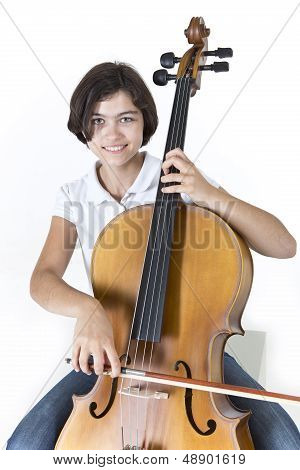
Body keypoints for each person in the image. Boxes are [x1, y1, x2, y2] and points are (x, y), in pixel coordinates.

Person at [6, 62, 300, 450]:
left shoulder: (179, 179)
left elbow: (284, 246)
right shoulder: (74, 196)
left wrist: (212, 195)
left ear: (146, 120)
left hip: (191, 353)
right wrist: (89, 310)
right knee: (25, 445)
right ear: (82, 127)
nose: (112, 134)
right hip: (114, 353)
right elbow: (42, 280)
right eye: (97, 121)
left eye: (126, 118)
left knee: (285, 444)